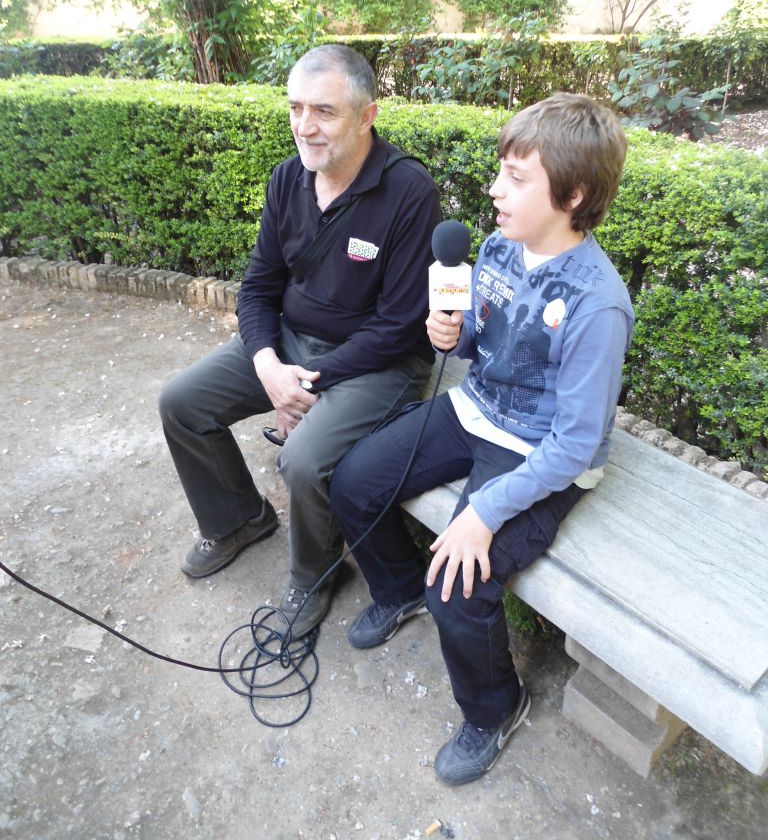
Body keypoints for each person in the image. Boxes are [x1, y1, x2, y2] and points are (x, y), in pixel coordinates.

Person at [329, 93, 635, 785]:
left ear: (574, 194)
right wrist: (452, 330)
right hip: (477, 408)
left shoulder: (596, 304)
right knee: (352, 481)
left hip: (543, 453)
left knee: (460, 588)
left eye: (516, 178)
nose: (494, 190)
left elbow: (576, 446)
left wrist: (484, 511)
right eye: (500, 171)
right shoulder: (499, 246)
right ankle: (396, 587)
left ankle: (495, 708)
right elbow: (477, 341)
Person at [159, 44, 441, 638]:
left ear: (368, 116)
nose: (305, 126)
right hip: (288, 344)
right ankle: (239, 519)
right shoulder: (288, 180)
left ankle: (313, 574)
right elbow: (258, 287)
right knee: (182, 403)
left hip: (377, 364)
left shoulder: (408, 192)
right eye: (295, 108)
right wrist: (267, 365)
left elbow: (397, 326)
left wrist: (309, 384)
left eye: (324, 111)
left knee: (304, 459)